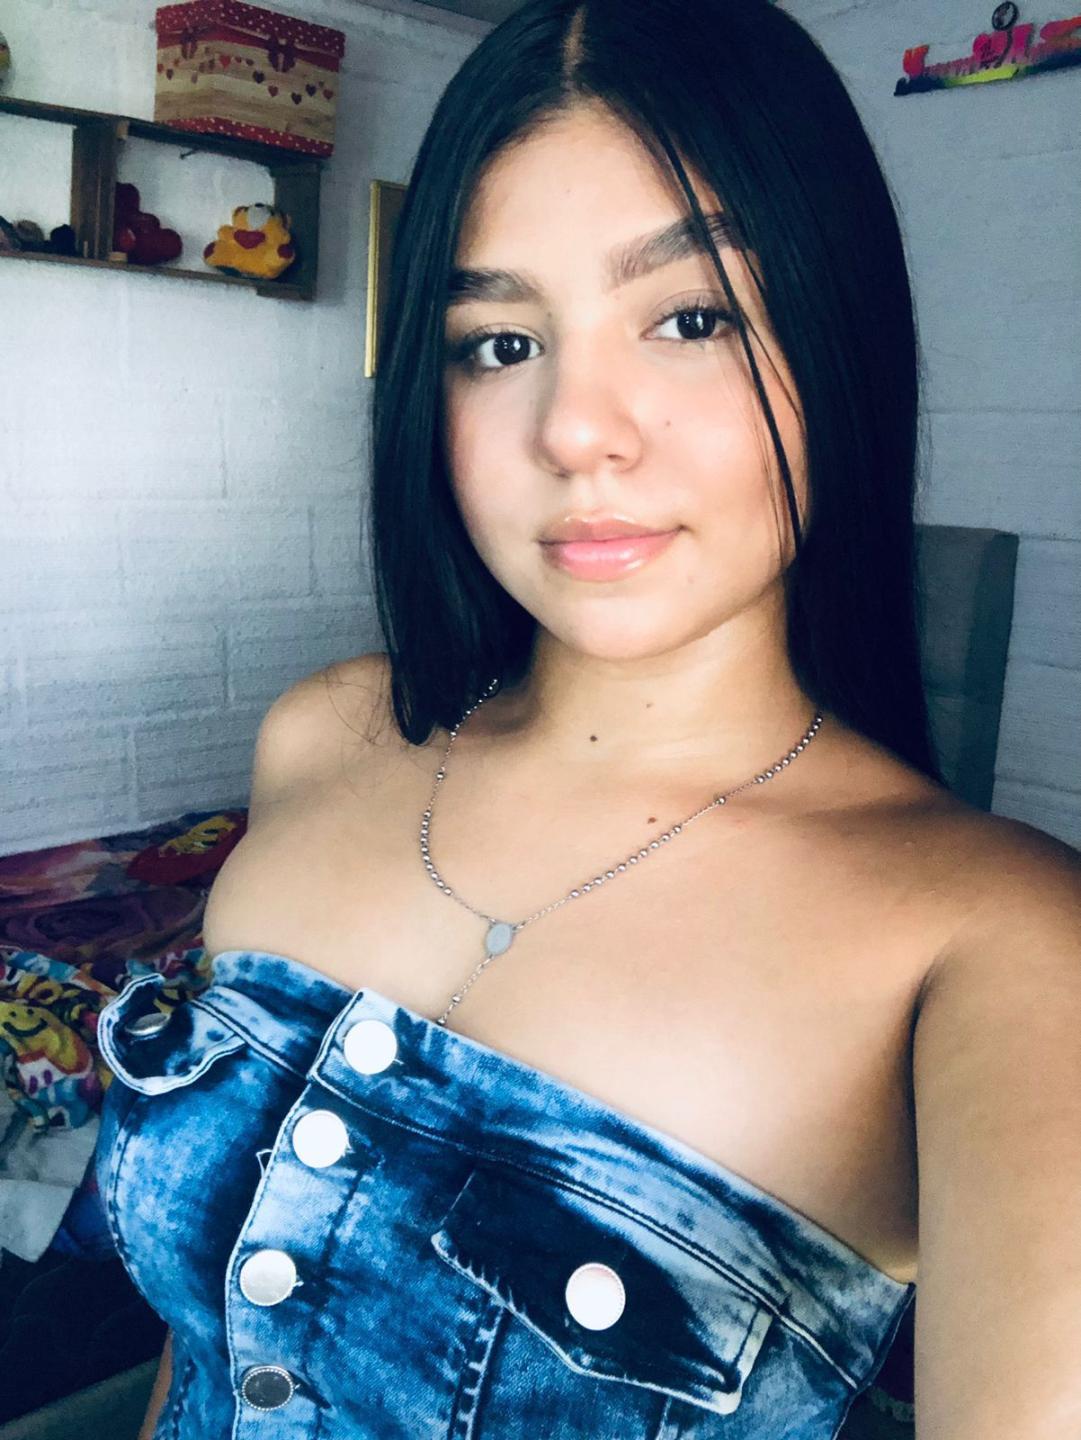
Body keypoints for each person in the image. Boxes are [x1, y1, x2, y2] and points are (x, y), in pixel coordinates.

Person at [96, 1, 1081, 1437]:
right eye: (499, 342)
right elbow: (203, 1351)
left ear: (839, 339)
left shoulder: (1000, 954)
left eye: (690, 320)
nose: (572, 430)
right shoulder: (325, 738)